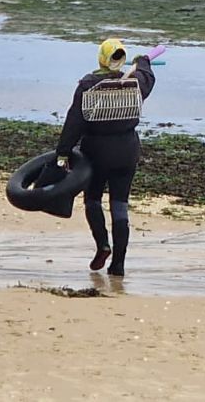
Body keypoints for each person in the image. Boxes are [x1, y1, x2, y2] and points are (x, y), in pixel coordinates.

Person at [54, 38, 155, 276]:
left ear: (101, 58)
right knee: (120, 205)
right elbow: (148, 79)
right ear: (121, 60)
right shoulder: (133, 83)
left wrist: (63, 152)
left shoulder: (88, 85)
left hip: (95, 152)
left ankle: (102, 244)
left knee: (93, 201)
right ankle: (118, 263)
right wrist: (143, 63)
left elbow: (75, 120)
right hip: (126, 151)